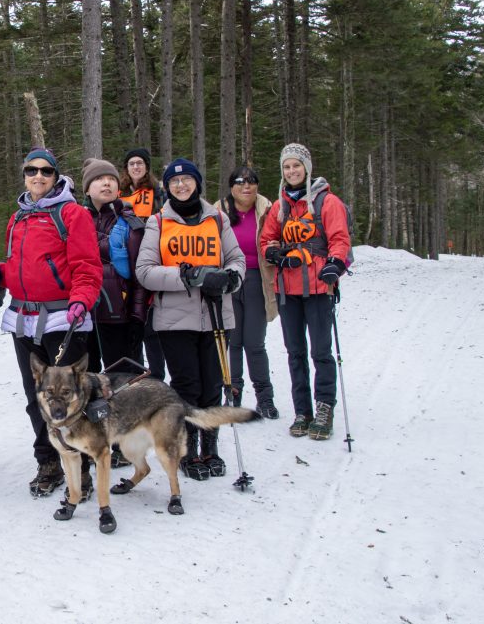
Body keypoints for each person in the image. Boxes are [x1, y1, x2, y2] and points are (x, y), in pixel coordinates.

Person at [0, 148, 102, 498]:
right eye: (32, 170)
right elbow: (14, 266)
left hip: (62, 318)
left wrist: (80, 300)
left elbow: (88, 266)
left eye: (46, 171)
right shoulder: (18, 218)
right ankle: (48, 461)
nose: (38, 176)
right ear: (24, 174)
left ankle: (82, 468)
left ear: (56, 176)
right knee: (36, 397)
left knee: (72, 398)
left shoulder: (72, 214)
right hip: (23, 320)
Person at [135, 158, 245, 481]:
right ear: (167, 188)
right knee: (187, 385)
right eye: (173, 182)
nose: (181, 186)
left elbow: (237, 260)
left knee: (213, 384)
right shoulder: (158, 222)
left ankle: (210, 446)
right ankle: (187, 448)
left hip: (214, 314)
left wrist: (229, 279)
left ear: (197, 183)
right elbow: (145, 272)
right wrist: (189, 276)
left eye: (186, 180)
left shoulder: (218, 219)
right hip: (174, 318)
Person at [259, 143, 351, 441]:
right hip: (288, 288)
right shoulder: (279, 206)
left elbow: (340, 239)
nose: (291, 171)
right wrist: (273, 253)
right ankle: (303, 410)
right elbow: (267, 239)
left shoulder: (328, 202)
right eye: (286, 167)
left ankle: (325, 407)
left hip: (318, 286)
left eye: (296, 166)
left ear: (307, 168)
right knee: (295, 353)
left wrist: (335, 265)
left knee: (321, 352)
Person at [83, 158, 149, 469]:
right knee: (91, 380)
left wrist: (138, 316)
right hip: (85, 316)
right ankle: (98, 438)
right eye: (99, 180)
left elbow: (140, 273)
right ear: (88, 188)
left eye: (111, 179)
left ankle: (128, 443)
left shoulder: (131, 222)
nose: (107, 184)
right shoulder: (76, 220)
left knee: (123, 380)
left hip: (120, 315)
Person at [217, 166, 279, 419]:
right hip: (228, 280)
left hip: (256, 279)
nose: (246, 187)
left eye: (252, 182)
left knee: (254, 343)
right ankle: (233, 394)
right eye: (240, 182)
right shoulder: (218, 211)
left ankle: (265, 397)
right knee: (232, 341)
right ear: (231, 186)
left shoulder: (269, 209)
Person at [119, 147, 166, 380]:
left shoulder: (157, 192)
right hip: (125, 262)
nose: (136, 167)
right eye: (131, 163)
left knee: (151, 324)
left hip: (151, 259)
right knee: (132, 322)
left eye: (140, 163)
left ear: (147, 167)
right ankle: (136, 373)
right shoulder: (120, 192)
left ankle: (157, 373)